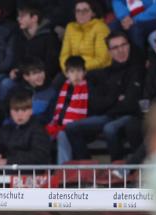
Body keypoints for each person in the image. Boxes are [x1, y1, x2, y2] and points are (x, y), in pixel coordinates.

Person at [63, 30, 144, 162]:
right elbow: (95, 104)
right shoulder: (102, 74)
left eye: (123, 45)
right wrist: (116, 98)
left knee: (109, 129)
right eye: (115, 48)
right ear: (109, 52)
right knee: (71, 127)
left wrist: (109, 103)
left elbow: (131, 103)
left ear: (129, 46)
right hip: (108, 116)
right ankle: (87, 166)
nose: (120, 50)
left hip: (129, 117)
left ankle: (118, 166)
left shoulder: (138, 70)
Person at [0, 90, 52, 165]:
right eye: (16, 110)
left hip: (31, 173)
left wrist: (9, 161)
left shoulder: (39, 130)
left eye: (24, 110)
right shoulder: (5, 130)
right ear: (10, 111)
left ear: (31, 111)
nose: (19, 115)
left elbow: (39, 156)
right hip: (6, 171)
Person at [48, 55, 90, 163]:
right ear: (66, 74)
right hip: (58, 125)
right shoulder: (62, 88)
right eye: (72, 71)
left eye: (79, 71)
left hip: (78, 126)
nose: (76, 75)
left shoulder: (89, 87)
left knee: (63, 134)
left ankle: (63, 171)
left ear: (85, 72)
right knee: (40, 135)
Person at [13, 1, 61, 83]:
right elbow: (18, 60)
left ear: (34, 18)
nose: (18, 19)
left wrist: (35, 75)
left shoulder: (50, 37)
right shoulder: (20, 36)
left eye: (22, 16)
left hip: (44, 81)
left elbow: (52, 66)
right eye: (18, 16)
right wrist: (16, 70)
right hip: (24, 78)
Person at [60, 0, 111, 75]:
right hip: (72, 71)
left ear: (93, 13)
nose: (81, 14)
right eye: (78, 11)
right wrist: (67, 70)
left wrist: (78, 69)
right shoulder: (70, 27)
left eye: (85, 10)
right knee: (58, 81)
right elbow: (64, 55)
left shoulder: (101, 27)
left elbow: (102, 59)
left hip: (95, 71)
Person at [15, 59, 58, 123]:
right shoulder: (19, 90)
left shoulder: (51, 91)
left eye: (41, 72)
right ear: (26, 77)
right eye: (35, 73)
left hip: (37, 126)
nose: (40, 76)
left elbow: (49, 116)